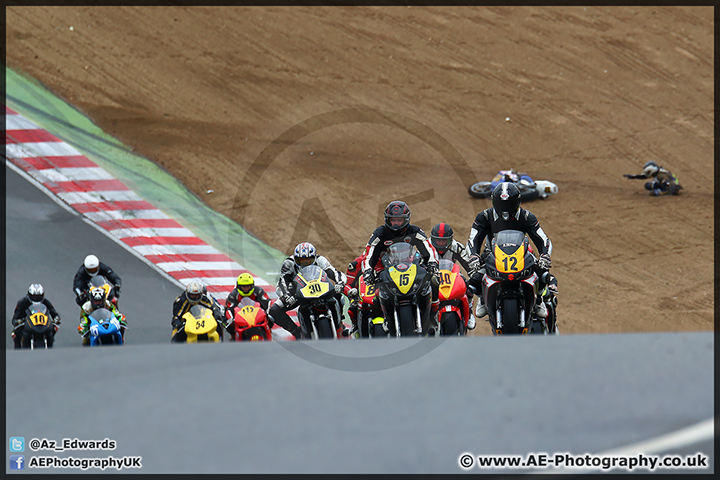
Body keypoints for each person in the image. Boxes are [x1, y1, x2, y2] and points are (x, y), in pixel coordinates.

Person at [466, 182, 556, 330]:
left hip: (523, 254)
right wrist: (473, 256)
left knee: (542, 272)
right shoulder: (484, 216)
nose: (505, 209)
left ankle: (538, 298)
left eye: (509, 204)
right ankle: (482, 298)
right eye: (502, 204)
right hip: (491, 254)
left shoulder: (527, 216)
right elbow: (473, 239)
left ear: (517, 202)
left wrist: (545, 256)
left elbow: (543, 239)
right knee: (475, 277)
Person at [361, 200, 440, 334]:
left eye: (399, 220)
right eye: (393, 220)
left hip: (412, 266)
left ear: (406, 220)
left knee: (434, 281)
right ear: (387, 219)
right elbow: (369, 254)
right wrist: (368, 271)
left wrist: (432, 263)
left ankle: (433, 316)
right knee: (375, 294)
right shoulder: (379, 233)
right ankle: (385, 317)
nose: (396, 223)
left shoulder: (415, 231)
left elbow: (428, 247)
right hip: (386, 268)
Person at [268, 242, 351, 339]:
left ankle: (339, 324)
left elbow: (335, 273)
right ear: (296, 259)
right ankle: (296, 332)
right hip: (299, 294)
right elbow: (282, 283)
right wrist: (287, 296)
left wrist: (340, 283)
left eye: (308, 260)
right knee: (275, 310)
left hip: (320, 289)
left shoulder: (321, 260)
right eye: (301, 260)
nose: (305, 263)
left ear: (314, 258)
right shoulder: (289, 263)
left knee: (339, 297)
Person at [11, 284, 61, 349]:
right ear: (29, 295)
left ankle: (50, 346)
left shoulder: (45, 302)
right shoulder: (23, 302)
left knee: (53, 330)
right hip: (26, 324)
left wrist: (56, 319)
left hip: (42, 323)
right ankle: (18, 351)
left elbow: (53, 312)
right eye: (34, 296)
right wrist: (17, 321)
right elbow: (16, 317)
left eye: (39, 296)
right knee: (16, 333)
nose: (36, 298)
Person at [224, 273, 272, 340]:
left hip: (257, 316)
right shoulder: (233, 295)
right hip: (241, 318)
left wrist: (267, 312)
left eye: (248, 286)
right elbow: (229, 309)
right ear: (239, 286)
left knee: (271, 318)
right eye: (243, 286)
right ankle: (234, 336)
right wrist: (231, 319)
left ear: (252, 285)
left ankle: (268, 334)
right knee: (228, 325)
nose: (246, 288)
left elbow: (267, 302)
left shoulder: (258, 291)